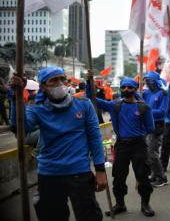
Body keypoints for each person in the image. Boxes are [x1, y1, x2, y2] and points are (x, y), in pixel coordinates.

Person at [10, 66, 107, 221]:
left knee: (89, 216)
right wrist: (15, 96)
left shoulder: (84, 104)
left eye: (63, 79)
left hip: (79, 173)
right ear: (43, 86)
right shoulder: (37, 110)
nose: (60, 83)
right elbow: (19, 128)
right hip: (49, 174)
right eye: (53, 80)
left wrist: (100, 169)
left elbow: (95, 137)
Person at [87, 73, 156, 217]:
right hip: (121, 146)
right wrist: (89, 81)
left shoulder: (144, 108)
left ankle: (145, 204)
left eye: (129, 87)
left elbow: (151, 128)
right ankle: (120, 204)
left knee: (143, 176)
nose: (126, 89)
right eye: (123, 87)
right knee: (118, 177)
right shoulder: (114, 105)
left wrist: (138, 132)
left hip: (139, 146)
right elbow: (92, 99)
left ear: (135, 89)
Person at [142, 71, 169, 187]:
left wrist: (147, 111)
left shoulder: (163, 93)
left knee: (151, 152)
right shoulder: (146, 93)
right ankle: (155, 174)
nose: (148, 83)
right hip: (147, 125)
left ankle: (162, 177)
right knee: (149, 152)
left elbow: (162, 112)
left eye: (150, 80)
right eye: (146, 80)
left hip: (157, 125)